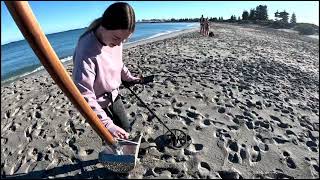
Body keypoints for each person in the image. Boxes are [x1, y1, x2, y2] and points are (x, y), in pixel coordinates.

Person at [72, 2, 143, 140]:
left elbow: (117, 63)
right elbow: (84, 94)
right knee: (112, 138)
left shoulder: (117, 39)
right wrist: (107, 125)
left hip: (114, 95)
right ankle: (118, 159)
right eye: (117, 38)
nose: (118, 44)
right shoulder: (86, 50)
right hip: (97, 104)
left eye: (124, 40)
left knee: (125, 129)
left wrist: (129, 77)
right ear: (103, 26)